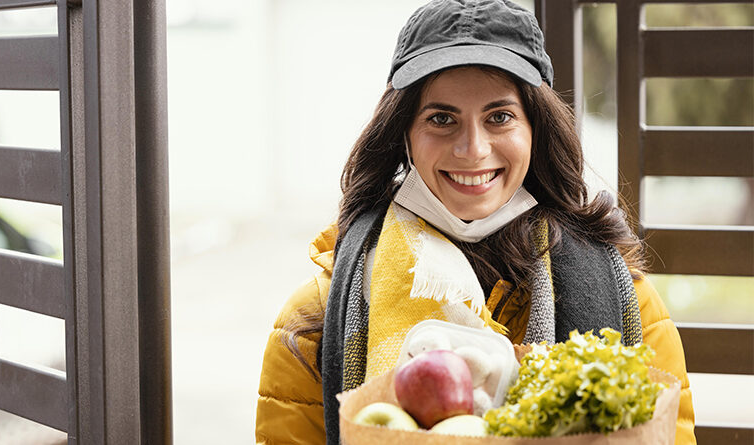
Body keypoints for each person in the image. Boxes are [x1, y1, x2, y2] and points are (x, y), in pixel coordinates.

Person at [256, 1, 696, 444]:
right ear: (403, 133)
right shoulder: (314, 317)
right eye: (441, 119)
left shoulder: (629, 301)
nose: (472, 148)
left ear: (534, 130)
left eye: (499, 117)